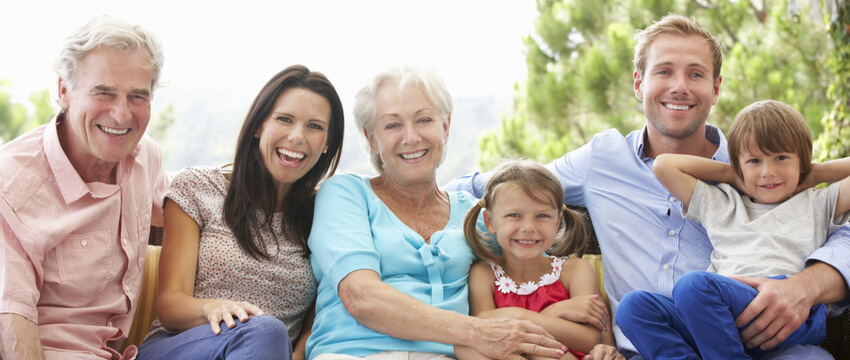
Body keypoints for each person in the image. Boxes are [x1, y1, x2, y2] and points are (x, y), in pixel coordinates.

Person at [444, 14, 850, 360]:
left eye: (696, 74)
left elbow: (836, 222)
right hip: (648, 345)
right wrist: (424, 194)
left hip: (766, 332)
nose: (680, 87)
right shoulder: (602, 158)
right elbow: (500, 187)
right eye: (664, 71)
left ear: (716, 88)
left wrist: (811, 283)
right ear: (638, 83)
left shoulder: (762, 166)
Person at [306, 66, 569, 360]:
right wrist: (479, 332)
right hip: (353, 354)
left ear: (445, 127)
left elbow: (530, 273)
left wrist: (578, 322)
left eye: (424, 120)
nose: (411, 137)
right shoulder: (346, 194)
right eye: (392, 125)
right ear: (370, 138)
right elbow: (361, 296)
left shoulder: (475, 215)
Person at [136, 65, 344, 360]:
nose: (297, 136)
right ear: (259, 125)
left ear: (327, 143)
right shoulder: (198, 187)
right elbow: (170, 305)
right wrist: (211, 307)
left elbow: (316, 322)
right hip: (181, 347)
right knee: (266, 331)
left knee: (269, 336)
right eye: (284, 119)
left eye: (315, 126)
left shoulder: (326, 214)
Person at [617, 99, 850, 359]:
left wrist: (816, 174)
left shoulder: (819, 202)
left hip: (786, 311)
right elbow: (664, 165)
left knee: (692, 286)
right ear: (738, 165)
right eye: (754, 161)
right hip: (718, 318)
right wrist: (732, 175)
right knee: (632, 308)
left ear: (802, 162)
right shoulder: (722, 202)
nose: (768, 172)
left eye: (781, 158)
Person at [0, 15, 169, 360]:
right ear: (64, 90)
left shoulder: (145, 156)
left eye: (138, 96)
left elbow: (181, 219)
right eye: (104, 93)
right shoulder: (10, 184)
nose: (122, 115)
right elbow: (11, 317)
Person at [456, 159, 612, 360]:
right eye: (514, 215)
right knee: (465, 349)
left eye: (542, 216)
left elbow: (590, 338)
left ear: (558, 222)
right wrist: (555, 312)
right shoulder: (483, 275)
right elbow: (484, 329)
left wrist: (513, 319)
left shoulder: (575, 271)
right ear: (490, 222)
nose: (529, 227)